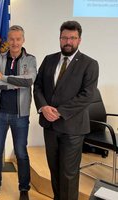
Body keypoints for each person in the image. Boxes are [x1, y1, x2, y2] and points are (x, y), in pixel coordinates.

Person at [33, 21, 99, 200]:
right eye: (64, 37)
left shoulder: (89, 64)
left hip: (73, 128)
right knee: (54, 170)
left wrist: (59, 111)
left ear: (79, 40)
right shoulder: (49, 59)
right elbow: (38, 86)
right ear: (59, 38)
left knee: (68, 174)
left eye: (72, 38)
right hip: (49, 126)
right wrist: (43, 107)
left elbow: (87, 95)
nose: (68, 41)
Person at [0, 25, 37, 200]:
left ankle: (24, 189)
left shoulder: (30, 59)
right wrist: (14, 84)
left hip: (20, 115)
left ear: (23, 40)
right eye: (11, 39)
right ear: (7, 40)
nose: (14, 42)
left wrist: (4, 78)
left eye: (18, 39)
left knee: (21, 153)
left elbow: (28, 80)